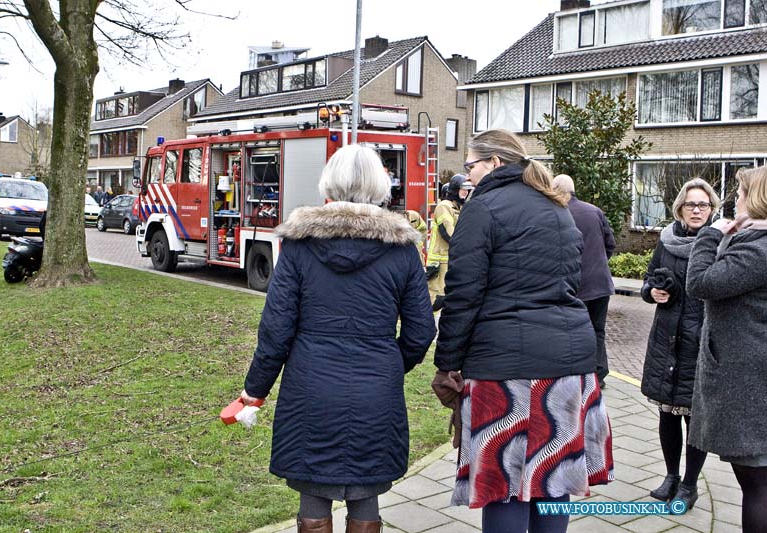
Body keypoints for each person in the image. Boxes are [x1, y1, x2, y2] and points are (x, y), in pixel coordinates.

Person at [241, 144, 436, 533]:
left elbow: (276, 328)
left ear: (329, 183)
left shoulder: (299, 246)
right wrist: (389, 362)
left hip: (311, 384)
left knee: (313, 487)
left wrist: (254, 391)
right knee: (367, 490)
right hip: (375, 386)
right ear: (380, 187)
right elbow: (421, 331)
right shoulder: (402, 250)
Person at [433, 129, 613, 533]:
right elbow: (571, 285)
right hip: (568, 366)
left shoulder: (485, 207)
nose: (468, 176)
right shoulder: (556, 207)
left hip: (506, 370)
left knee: (504, 482)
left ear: (495, 163)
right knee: (554, 479)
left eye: (471, 166)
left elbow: (463, 294)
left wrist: (447, 364)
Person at [686, 166, 767, 532]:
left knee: (757, 482)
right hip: (761, 369)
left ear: (756, 198)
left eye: (739, 194)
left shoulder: (761, 249)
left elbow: (701, 282)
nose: (735, 200)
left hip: (750, 377)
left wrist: (709, 236)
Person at [639, 178, 719, 509]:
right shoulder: (667, 241)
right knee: (667, 411)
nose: (697, 210)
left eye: (703, 205)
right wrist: (651, 292)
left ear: (712, 209)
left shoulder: (721, 242)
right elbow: (649, 279)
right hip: (666, 337)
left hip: (701, 340)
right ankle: (671, 475)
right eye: (691, 204)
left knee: (694, 416)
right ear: (680, 209)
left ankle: (689, 484)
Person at [553, 174, 616, 389]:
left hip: (574, 285)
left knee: (572, 330)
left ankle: (577, 373)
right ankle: (599, 374)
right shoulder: (594, 210)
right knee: (598, 329)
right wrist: (599, 264)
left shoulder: (557, 213)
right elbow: (610, 243)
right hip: (600, 283)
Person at [425, 174, 472, 311]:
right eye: (463, 189)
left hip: (452, 260)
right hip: (440, 262)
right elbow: (449, 233)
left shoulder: (460, 208)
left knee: (448, 297)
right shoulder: (444, 206)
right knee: (435, 299)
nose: (466, 192)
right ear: (455, 189)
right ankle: (428, 329)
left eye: (467, 190)